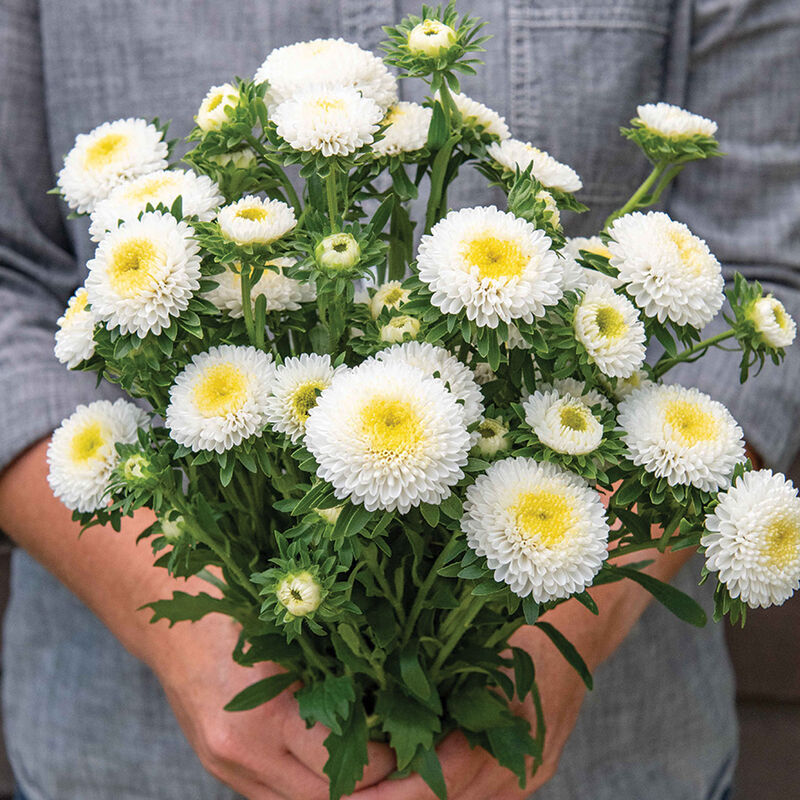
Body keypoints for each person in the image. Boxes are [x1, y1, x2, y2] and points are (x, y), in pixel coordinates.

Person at [0, 0, 798, 798]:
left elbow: (768, 268)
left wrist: (572, 607)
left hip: (615, 755)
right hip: (125, 761)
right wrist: (173, 616)